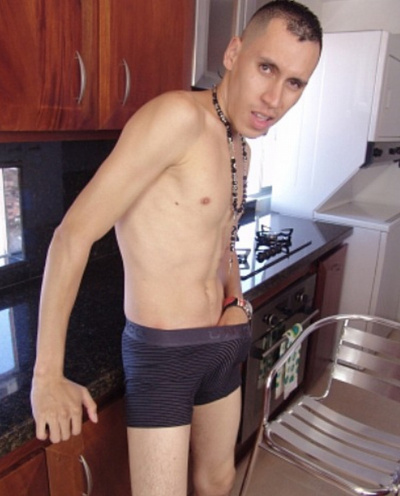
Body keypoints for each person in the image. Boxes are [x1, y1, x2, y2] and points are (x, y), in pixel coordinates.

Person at [30, 1, 322, 495]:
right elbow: (71, 235)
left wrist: (236, 301)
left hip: (222, 342)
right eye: (266, 67)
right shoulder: (175, 118)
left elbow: (224, 238)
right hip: (164, 354)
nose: (275, 98)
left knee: (218, 481)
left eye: (294, 83)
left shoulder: (240, 145)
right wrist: (47, 376)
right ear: (234, 53)